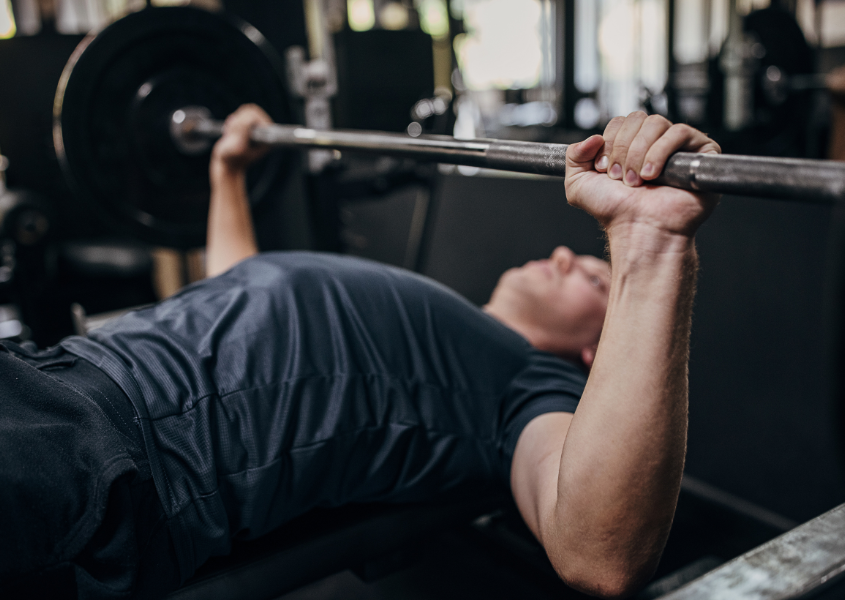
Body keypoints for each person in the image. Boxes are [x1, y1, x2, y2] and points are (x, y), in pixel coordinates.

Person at [0, 105, 719, 600]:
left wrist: (646, 244)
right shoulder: (438, 317)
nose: (566, 253)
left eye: (594, 277)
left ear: (596, 351)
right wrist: (227, 172)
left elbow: (597, 555)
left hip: (110, 455)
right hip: (61, 378)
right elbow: (234, 292)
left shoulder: (524, 389)